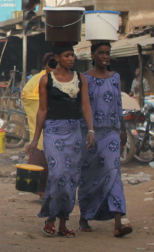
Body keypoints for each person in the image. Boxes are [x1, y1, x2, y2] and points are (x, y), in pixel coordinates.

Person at [26, 43, 94, 238]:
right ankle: (50, 218)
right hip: (53, 132)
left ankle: (63, 222)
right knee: (57, 174)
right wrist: (34, 140)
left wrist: (90, 130)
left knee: (71, 178)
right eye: (67, 55)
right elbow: (42, 110)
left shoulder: (81, 79)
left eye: (72, 55)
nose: (71, 58)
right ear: (57, 57)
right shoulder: (46, 80)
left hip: (74, 132)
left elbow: (86, 106)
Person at [77, 42, 132, 237]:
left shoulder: (115, 77)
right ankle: (84, 216)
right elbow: (82, 106)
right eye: (100, 53)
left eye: (107, 53)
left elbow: (118, 105)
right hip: (89, 133)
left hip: (110, 132)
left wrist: (123, 129)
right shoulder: (84, 78)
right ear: (92, 54)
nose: (104, 56)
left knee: (113, 172)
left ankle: (118, 222)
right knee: (89, 176)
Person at [21, 54, 56, 196]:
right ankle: (42, 190)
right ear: (45, 65)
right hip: (42, 129)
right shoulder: (36, 80)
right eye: (51, 64)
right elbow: (27, 96)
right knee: (41, 161)